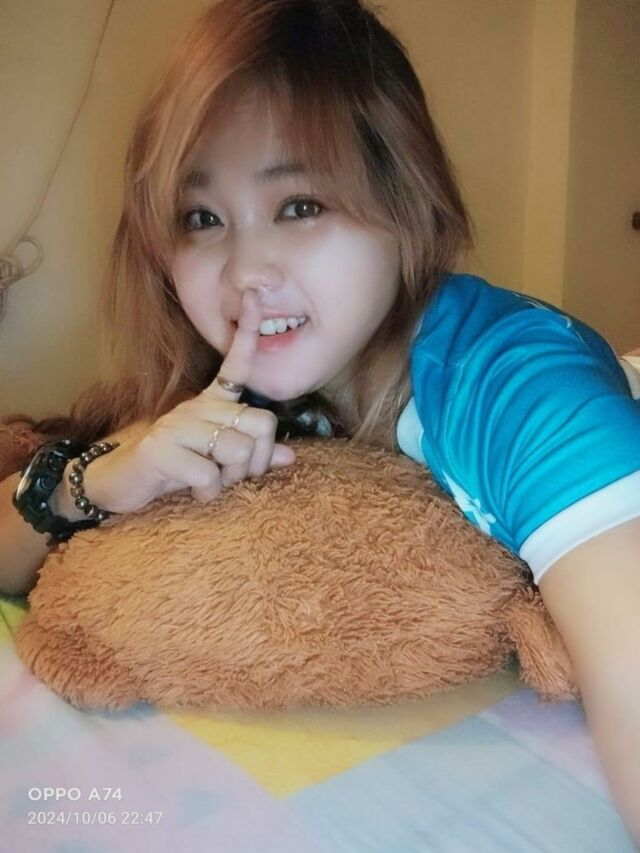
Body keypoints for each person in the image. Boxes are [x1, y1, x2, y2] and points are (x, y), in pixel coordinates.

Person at [1, 0, 639, 841]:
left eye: (299, 204)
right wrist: (104, 479)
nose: (245, 272)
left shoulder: (520, 389)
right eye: (202, 218)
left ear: (407, 204)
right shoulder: (254, 383)